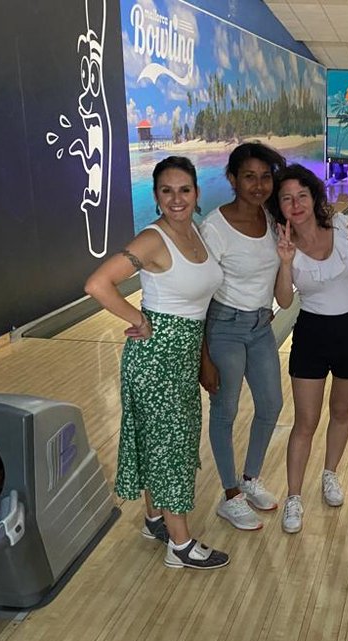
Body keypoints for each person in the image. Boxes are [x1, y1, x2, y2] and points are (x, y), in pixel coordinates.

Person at [84, 156, 227, 570]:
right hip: (157, 357)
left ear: (196, 193)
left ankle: (154, 520)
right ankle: (180, 545)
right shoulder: (153, 239)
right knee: (171, 446)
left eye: (184, 190)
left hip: (181, 353)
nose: (177, 198)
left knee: (159, 441)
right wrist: (138, 319)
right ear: (157, 196)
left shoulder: (194, 233)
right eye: (167, 191)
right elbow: (97, 284)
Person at [270, 165, 348, 533]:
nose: (295, 204)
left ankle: (330, 474)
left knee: (342, 411)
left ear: (314, 196)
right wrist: (285, 263)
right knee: (306, 422)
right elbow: (284, 302)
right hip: (312, 333)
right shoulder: (283, 244)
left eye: (301, 195)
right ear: (280, 206)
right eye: (287, 198)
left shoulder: (343, 227)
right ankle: (294, 497)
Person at [199, 142, 286, 531]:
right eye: (249, 176)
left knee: (271, 404)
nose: (258, 184)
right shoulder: (214, 228)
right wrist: (203, 358)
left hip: (261, 326)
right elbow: (199, 294)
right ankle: (230, 495)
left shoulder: (272, 218)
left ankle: (251, 479)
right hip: (224, 327)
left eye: (265, 176)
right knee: (226, 410)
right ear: (232, 179)